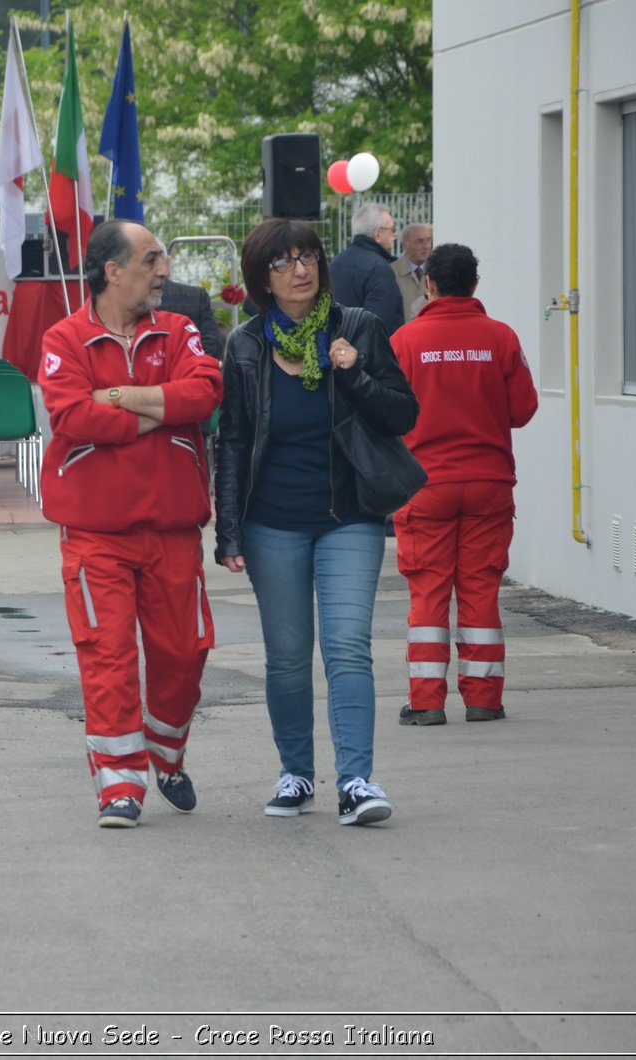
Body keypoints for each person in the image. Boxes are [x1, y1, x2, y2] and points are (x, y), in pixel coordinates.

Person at [214, 218, 419, 826]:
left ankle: (356, 782)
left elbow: (402, 414)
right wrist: (227, 530)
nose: (299, 270)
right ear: (262, 279)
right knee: (287, 654)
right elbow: (232, 441)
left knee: (348, 647)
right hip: (272, 521)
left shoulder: (357, 327)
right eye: (283, 262)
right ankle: (296, 773)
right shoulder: (246, 345)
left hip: (348, 516)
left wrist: (354, 371)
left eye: (307, 257)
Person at [38, 219, 223, 829]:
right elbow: (71, 416)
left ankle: (166, 751)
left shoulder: (179, 328)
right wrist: (156, 407)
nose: (163, 268)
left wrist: (115, 397)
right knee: (107, 656)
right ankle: (119, 784)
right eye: (151, 259)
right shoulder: (64, 338)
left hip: (172, 529)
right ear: (112, 271)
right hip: (95, 534)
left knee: (184, 652)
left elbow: (203, 394)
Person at [390, 243, 538, 725]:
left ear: (428, 283)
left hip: (425, 485)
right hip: (489, 484)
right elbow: (523, 410)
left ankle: (427, 703)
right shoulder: (500, 338)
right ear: (475, 285)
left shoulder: (406, 342)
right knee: (480, 591)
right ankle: (484, 700)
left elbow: (387, 417)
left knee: (428, 593)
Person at [331, 203, 405, 335]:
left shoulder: (336, 262)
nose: (394, 235)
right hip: (370, 351)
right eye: (392, 230)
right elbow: (378, 322)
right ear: (378, 234)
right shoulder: (379, 268)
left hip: (337, 347)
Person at [392, 223, 433, 324]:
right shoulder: (391, 271)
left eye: (428, 240)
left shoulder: (437, 271)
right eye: (420, 241)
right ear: (405, 245)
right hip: (401, 335)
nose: (426, 246)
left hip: (430, 333)